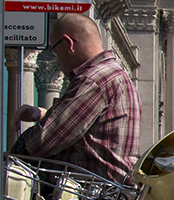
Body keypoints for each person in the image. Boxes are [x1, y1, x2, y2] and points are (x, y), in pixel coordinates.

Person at [13, 12, 143, 182]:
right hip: (109, 189)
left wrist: (14, 152)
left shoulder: (94, 80)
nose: (57, 61)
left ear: (69, 43)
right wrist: (44, 114)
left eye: (55, 51)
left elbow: (45, 140)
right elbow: (87, 128)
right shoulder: (115, 75)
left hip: (90, 192)